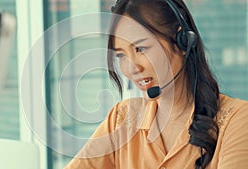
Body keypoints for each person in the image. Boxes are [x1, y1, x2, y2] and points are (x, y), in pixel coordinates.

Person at [64, 0, 248, 168]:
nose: (131, 67)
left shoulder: (237, 119)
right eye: (121, 55)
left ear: (181, 42)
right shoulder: (122, 119)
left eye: (140, 49)